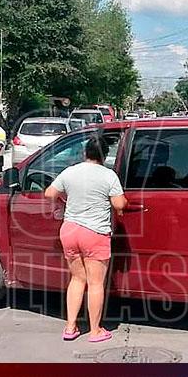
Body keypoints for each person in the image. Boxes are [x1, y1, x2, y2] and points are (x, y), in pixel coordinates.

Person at [44, 135, 126, 343]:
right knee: (96, 283)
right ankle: (95, 330)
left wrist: (66, 198)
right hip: (95, 233)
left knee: (77, 279)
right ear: (105, 155)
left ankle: (70, 327)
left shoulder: (70, 172)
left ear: (84, 153)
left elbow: (49, 193)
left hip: (70, 231)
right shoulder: (109, 176)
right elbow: (119, 205)